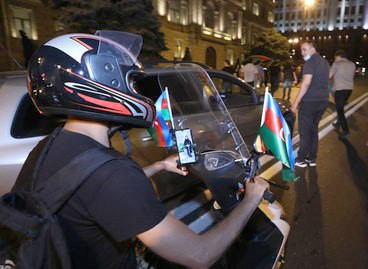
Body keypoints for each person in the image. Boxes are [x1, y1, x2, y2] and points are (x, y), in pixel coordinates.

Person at [18, 32, 269, 269]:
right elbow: (199, 255)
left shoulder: (47, 147)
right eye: (131, 84)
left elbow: (86, 190)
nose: (136, 93)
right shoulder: (113, 174)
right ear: (101, 85)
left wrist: (158, 166)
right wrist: (250, 200)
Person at [291, 41, 330, 168]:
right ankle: (312, 158)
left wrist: (295, 103)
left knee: (305, 131)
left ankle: (301, 159)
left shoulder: (310, 63)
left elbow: (306, 83)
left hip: (310, 102)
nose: (302, 53)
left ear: (312, 50)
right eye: (301, 50)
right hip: (323, 101)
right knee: (313, 130)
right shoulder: (325, 62)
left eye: (304, 50)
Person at [329, 50, 356, 138]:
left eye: (335, 58)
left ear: (338, 56)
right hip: (349, 90)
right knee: (340, 107)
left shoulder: (336, 63)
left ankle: (345, 130)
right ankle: (337, 124)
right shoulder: (352, 64)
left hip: (340, 90)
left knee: (340, 110)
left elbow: (329, 76)